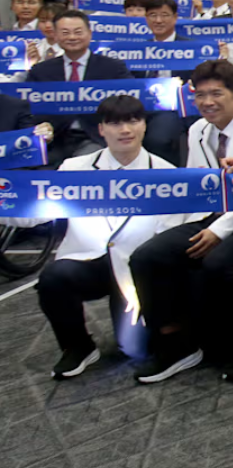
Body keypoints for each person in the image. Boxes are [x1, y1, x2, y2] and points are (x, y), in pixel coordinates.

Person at [127, 61, 233, 383]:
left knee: (219, 261)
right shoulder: (197, 130)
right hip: (212, 215)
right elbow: (198, 189)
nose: (207, 102)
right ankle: (176, 344)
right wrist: (180, 230)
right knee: (147, 256)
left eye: (216, 93)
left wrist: (219, 231)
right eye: (200, 95)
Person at [19, 96, 189, 379]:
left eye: (133, 121)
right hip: (88, 262)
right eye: (115, 123)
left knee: (134, 349)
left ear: (144, 126)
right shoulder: (74, 169)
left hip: (137, 270)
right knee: (52, 278)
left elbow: (167, 238)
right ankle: (77, 346)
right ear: (101, 129)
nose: (125, 130)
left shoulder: (167, 175)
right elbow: (35, 214)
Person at [25, 10, 131, 162]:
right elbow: (27, 108)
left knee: (84, 167)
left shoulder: (113, 67)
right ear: (55, 35)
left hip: (96, 136)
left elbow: (129, 103)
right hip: (54, 138)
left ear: (90, 33)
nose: (72, 37)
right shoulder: (41, 70)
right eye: (65, 32)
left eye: (78, 32)